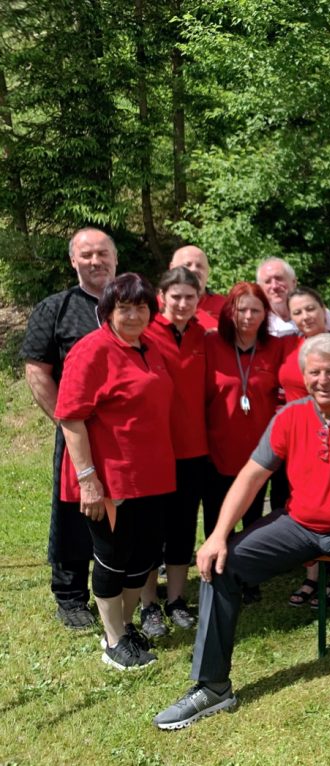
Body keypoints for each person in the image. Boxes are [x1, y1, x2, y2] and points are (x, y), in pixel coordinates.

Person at [153, 334, 330, 738]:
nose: (323, 379)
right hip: (298, 522)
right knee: (222, 563)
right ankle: (213, 686)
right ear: (303, 375)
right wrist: (216, 535)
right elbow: (252, 475)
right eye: (314, 372)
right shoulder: (290, 416)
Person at [55, 273, 176, 669]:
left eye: (141, 307)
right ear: (107, 311)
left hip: (152, 476)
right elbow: (71, 419)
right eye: (124, 307)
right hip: (111, 480)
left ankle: (125, 627)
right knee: (112, 556)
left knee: (142, 557)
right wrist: (87, 480)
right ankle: (112, 641)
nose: (133, 315)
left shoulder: (150, 347)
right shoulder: (91, 351)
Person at [21, 227, 118, 629]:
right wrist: (66, 420)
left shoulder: (132, 303)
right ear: (72, 261)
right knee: (75, 508)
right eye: (86, 255)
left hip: (127, 432)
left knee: (128, 508)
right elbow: (36, 371)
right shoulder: (56, 308)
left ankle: (126, 578)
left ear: (115, 258)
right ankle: (71, 594)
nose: (95, 261)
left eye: (102, 254)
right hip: (77, 428)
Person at [137, 267, 209, 638]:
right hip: (154, 451)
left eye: (190, 297)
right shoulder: (145, 335)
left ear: (198, 299)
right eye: (175, 296)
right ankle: (148, 605)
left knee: (182, 528)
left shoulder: (203, 336)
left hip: (193, 450)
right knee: (152, 530)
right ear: (162, 297)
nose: (182, 303)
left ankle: (177, 599)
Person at [203, 283, 288, 545]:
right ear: (230, 311)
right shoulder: (211, 343)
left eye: (255, 310)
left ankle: (248, 577)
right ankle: (216, 574)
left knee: (253, 518)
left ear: (266, 314)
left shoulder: (276, 347)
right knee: (216, 518)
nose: (248, 317)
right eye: (242, 310)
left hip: (259, 449)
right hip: (217, 446)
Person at [279, 286, 330, 607]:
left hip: (328, 438)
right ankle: (312, 575)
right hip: (294, 439)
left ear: (322, 308)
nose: (304, 317)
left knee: (328, 506)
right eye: (297, 312)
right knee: (301, 506)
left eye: (310, 309)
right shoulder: (289, 346)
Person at [256, 257, 330, 337]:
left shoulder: (321, 315)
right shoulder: (258, 320)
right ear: (260, 288)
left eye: (279, 278)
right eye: (267, 281)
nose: (274, 286)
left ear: (294, 282)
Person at [169, 245, 225, 330]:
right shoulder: (154, 306)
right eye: (187, 265)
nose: (194, 269)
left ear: (208, 271)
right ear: (172, 268)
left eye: (199, 266)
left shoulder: (225, 306)